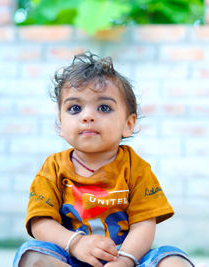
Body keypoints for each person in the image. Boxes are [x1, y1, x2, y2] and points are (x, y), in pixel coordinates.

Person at [13, 51, 195, 267]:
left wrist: (125, 260)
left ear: (128, 124)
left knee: (172, 258)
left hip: (126, 257)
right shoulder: (53, 168)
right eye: (75, 108)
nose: (87, 116)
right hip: (71, 255)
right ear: (61, 124)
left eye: (104, 108)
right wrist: (76, 244)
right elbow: (40, 221)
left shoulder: (135, 167)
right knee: (30, 255)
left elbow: (144, 223)